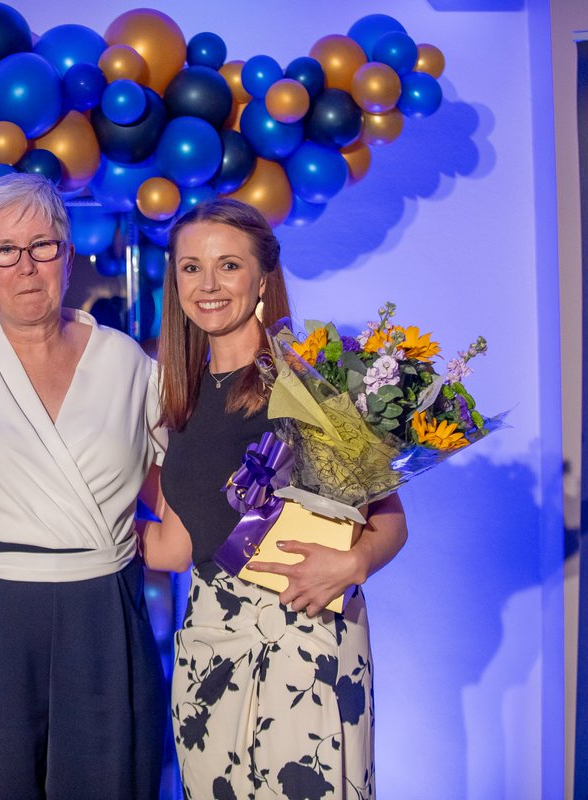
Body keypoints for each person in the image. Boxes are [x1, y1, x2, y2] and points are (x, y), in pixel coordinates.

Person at [0, 172, 165, 800]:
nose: (26, 266)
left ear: (67, 256)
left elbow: (177, 496)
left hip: (101, 614)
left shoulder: (127, 364)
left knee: (105, 781)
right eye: (4, 252)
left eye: (42, 246)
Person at [139, 199, 408, 800]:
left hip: (305, 640)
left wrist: (356, 563)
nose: (207, 285)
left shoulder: (310, 379)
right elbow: (177, 547)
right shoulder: (176, 398)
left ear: (263, 279)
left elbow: (389, 521)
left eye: (228, 266)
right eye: (190, 268)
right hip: (210, 644)